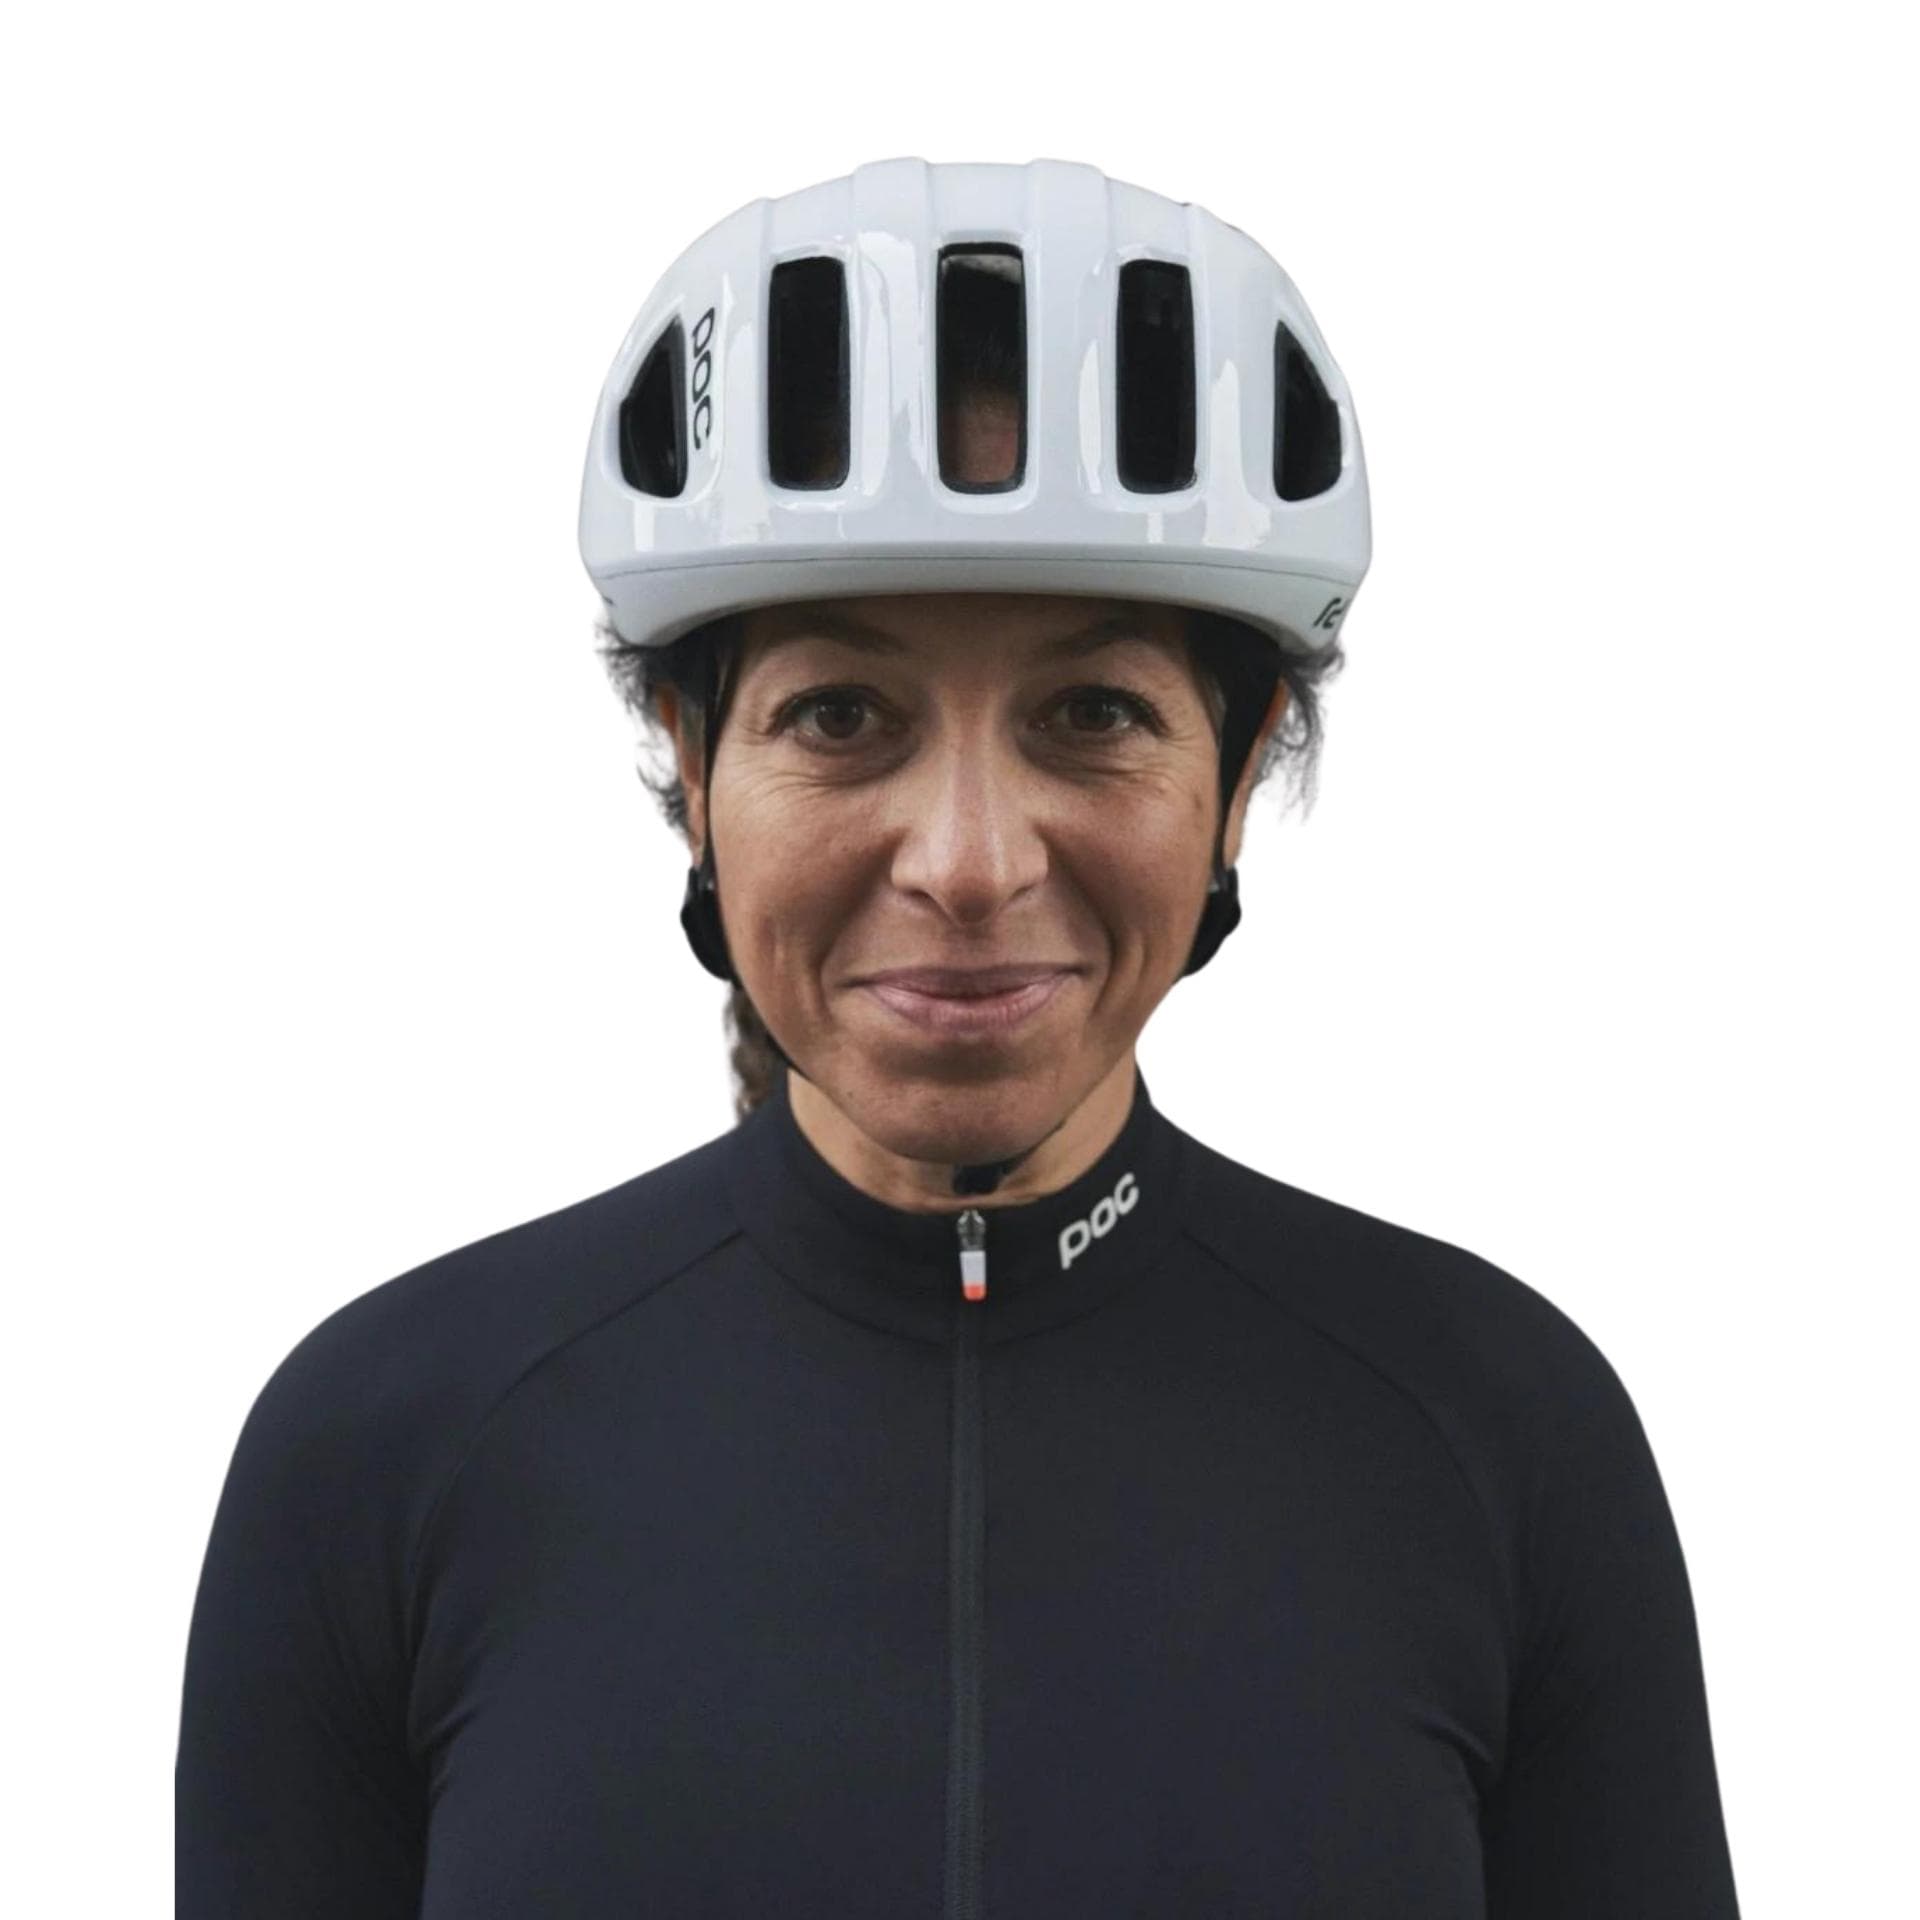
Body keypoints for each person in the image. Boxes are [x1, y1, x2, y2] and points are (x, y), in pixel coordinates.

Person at [175, 158, 1742, 1917]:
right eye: (842, 713)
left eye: (1095, 712)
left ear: (1238, 774)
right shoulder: (382, 1455)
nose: (972, 863)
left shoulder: (1506, 1438)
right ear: (692, 765)